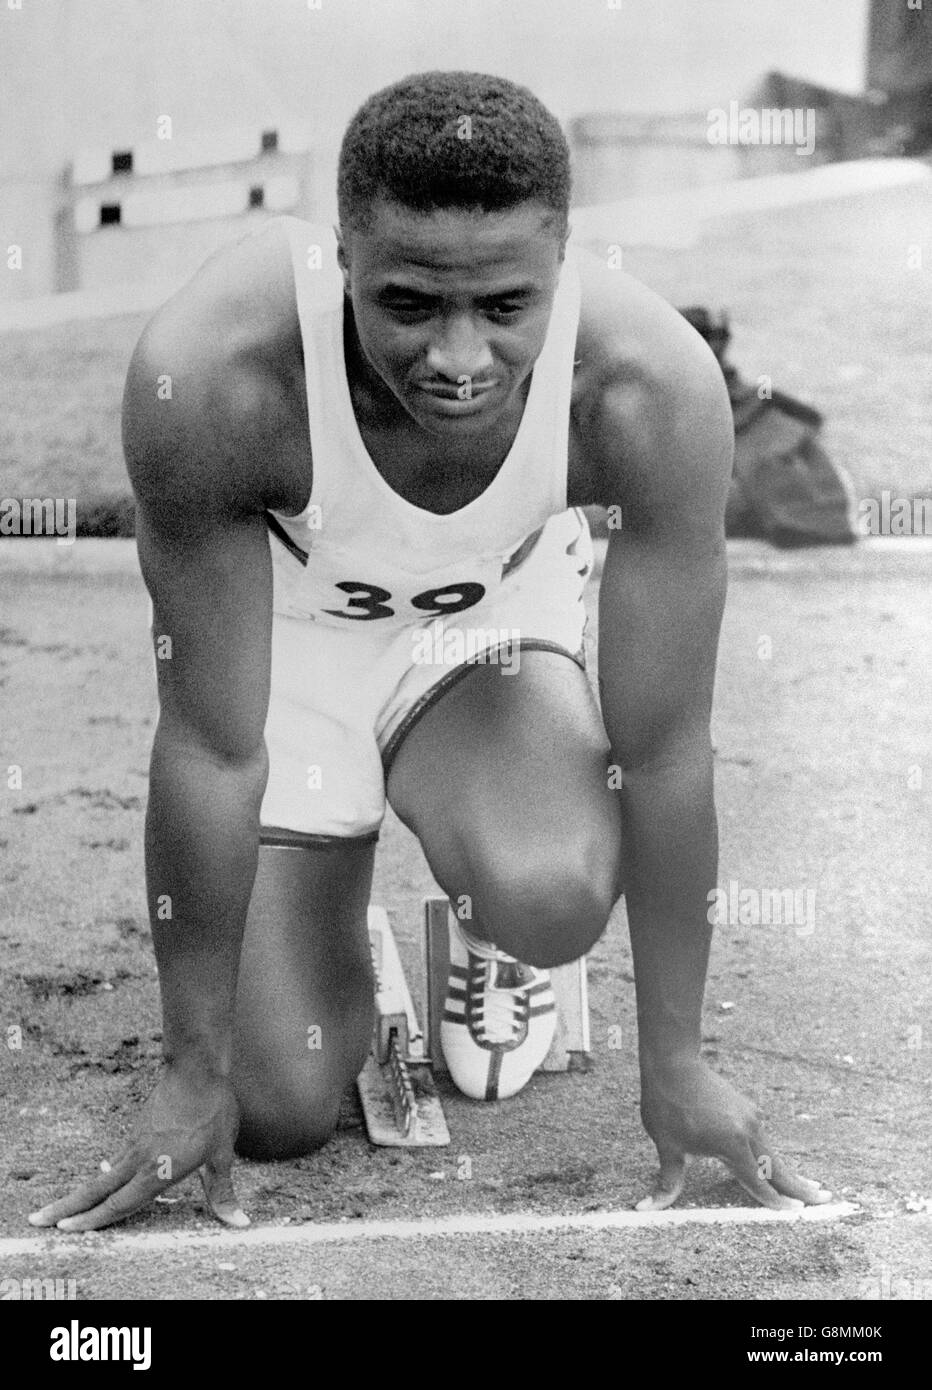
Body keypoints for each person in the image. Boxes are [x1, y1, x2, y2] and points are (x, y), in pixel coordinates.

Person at [30, 71, 832, 1234]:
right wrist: (188, 1073)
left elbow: (662, 754)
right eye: (408, 303)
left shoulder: (644, 389)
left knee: (550, 894)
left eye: (505, 305)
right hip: (291, 633)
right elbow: (210, 745)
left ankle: (492, 905)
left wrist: (680, 1062)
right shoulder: (213, 376)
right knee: (276, 1104)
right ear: (341, 258)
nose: (458, 357)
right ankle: (333, 907)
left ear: (565, 267)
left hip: (483, 620)